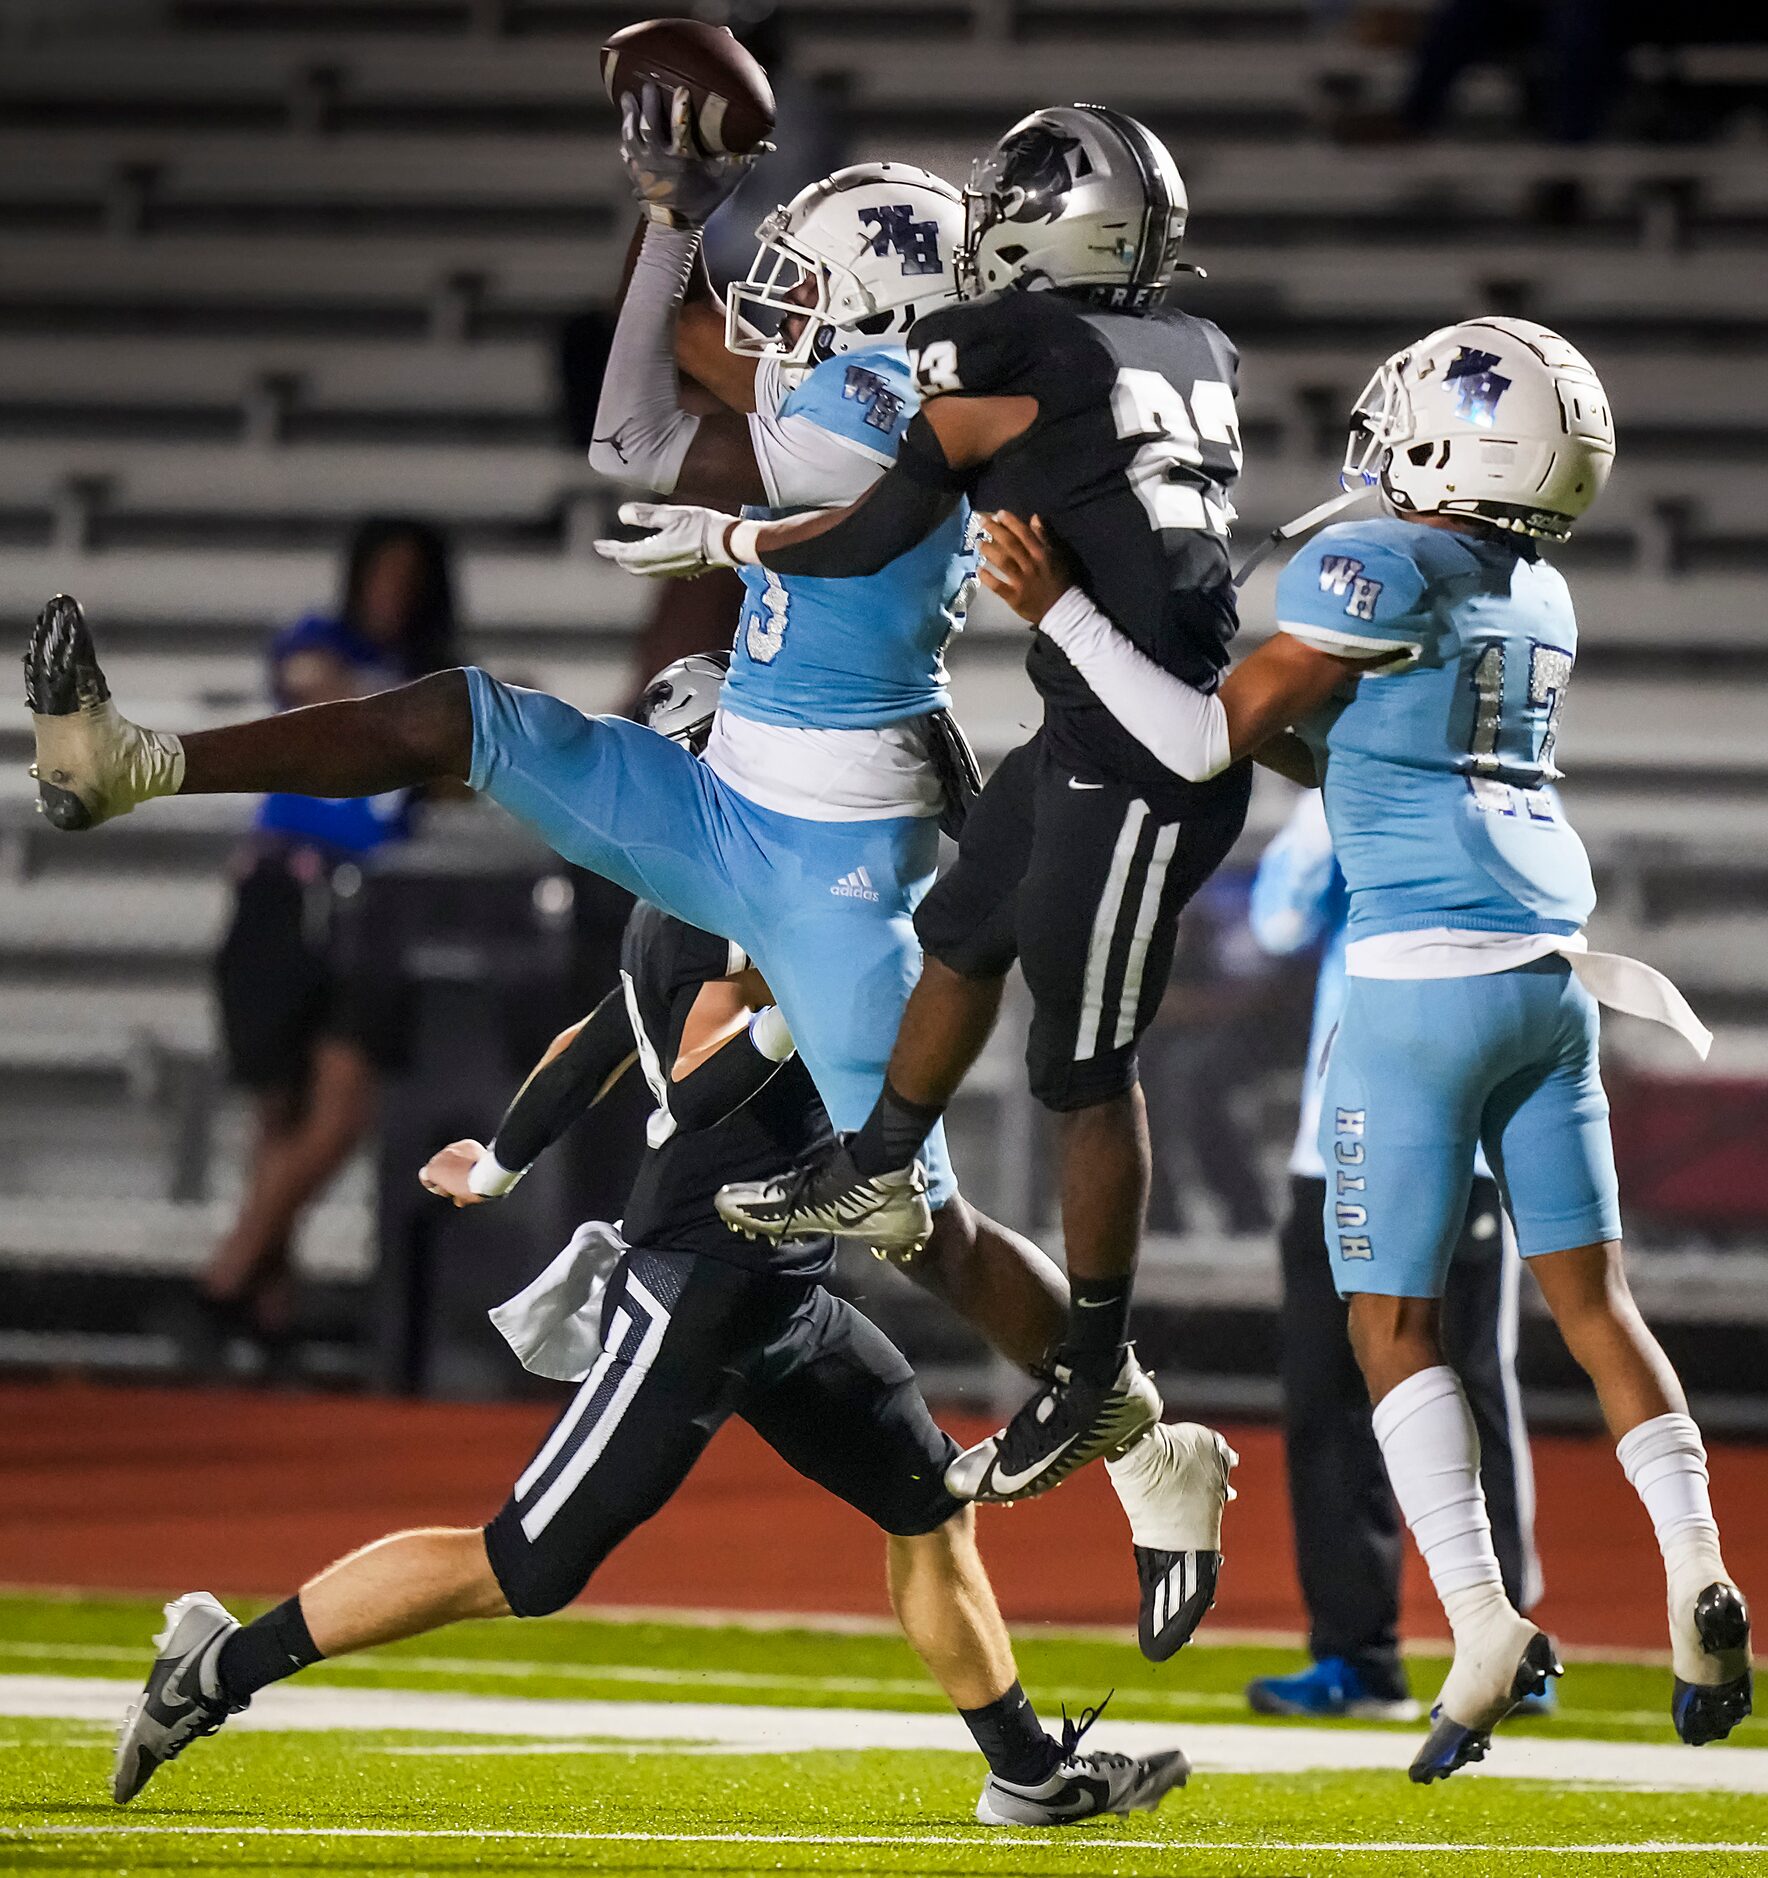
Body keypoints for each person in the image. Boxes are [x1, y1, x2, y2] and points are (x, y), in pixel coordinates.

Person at [22, 100, 1235, 1661]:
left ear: (873, 317)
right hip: (730, 796)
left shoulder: (882, 400)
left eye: (800, 290)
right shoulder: (878, 385)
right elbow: (648, 432)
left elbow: (647, 437)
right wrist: (673, 219)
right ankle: (132, 760)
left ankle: (1146, 1440)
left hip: (832, 863)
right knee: (463, 715)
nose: (770, 314)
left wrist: (694, 311)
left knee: (916, 1222)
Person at [108, 661, 1191, 1831]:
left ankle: (1024, 1770)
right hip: (698, 1281)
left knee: (927, 1503)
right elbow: (701, 1075)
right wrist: (797, 1006)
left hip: (780, 1289)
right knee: (524, 1567)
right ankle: (215, 1668)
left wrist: (504, 1162)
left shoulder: (707, 893)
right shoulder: (722, 910)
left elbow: (592, 1044)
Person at [951, 315, 1754, 1779]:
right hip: (1549, 983)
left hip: (1415, 988)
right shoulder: (1539, 591)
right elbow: (1369, 740)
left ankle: (1480, 1622)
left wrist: (1065, 615)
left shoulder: (1371, 564)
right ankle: (1698, 1575)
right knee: (1598, 1307)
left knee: (1392, 1331)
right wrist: (1262, 710)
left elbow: (1200, 745)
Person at [601, 105, 1257, 1517]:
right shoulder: (1183, 349)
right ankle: (875, 1164)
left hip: (1092, 746)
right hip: (1058, 725)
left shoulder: (982, 360)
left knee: (1079, 1078)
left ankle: (1101, 1389)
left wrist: (733, 535)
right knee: (958, 945)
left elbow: (877, 511)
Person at [1244, 791, 1542, 1722]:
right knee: (1329, 1405)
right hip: (1331, 1153)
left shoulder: (1501, 791)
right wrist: (1336, 806)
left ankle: (1509, 1646)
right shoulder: (1341, 798)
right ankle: (1356, 1656)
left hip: (1464, 1146)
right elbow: (1277, 921)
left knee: (1473, 1393)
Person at [203, 517, 457, 1359]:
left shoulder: (434, 675)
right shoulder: (329, 642)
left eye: (409, 575)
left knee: (342, 1105)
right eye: (383, 572)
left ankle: (229, 1275)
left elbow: (453, 774)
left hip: (374, 900)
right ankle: (265, 1305)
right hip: (289, 886)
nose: (394, 590)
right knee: (277, 1101)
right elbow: (313, 684)